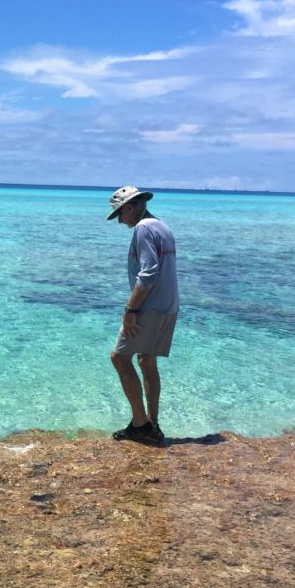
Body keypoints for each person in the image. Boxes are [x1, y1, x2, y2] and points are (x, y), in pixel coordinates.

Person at [107, 186, 178, 447]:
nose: (120, 221)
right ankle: (152, 423)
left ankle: (140, 425)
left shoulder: (143, 228)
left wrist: (130, 310)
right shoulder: (162, 226)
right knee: (146, 361)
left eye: (119, 215)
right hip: (169, 305)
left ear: (129, 207)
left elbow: (148, 274)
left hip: (149, 307)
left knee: (119, 358)